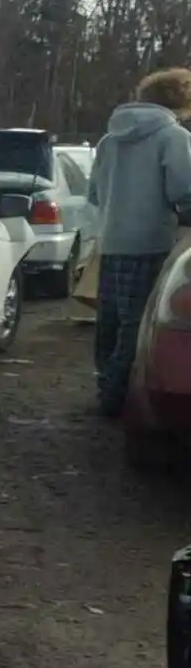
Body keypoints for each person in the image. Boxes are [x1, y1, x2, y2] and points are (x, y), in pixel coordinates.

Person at [86, 67, 191, 417]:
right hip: (150, 240)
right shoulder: (172, 137)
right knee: (139, 322)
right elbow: (183, 190)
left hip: (112, 239)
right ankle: (117, 395)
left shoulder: (108, 139)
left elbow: (95, 193)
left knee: (111, 320)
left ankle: (105, 384)